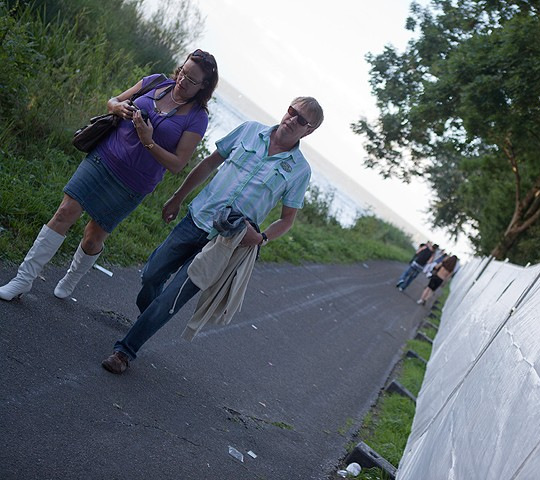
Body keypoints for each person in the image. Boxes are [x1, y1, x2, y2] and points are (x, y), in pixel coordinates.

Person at [101, 96, 324, 374]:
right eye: (292, 111)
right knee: (151, 275)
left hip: (225, 242)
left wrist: (262, 238)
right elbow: (209, 164)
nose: (293, 119)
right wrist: (177, 196)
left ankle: (125, 352)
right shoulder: (249, 130)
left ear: (309, 130)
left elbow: (287, 219)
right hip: (196, 219)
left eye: (302, 120)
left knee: (173, 298)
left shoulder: (300, 170)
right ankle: (149, 317)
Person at [0, 49, 219, 302]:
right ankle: (22, 280)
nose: (182, 80)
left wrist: (148, 141)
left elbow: (178, 164)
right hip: (103, 158)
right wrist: (118, 108)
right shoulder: (156, 81)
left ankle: (71, 277)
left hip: (132, 184)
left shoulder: (197, 118)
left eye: (191, 80)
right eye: (183, 72)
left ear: (204, 86)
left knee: (93, 239)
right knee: (64, 212)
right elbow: (113, 101)